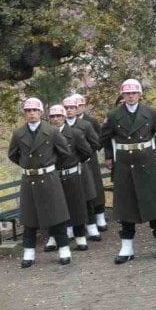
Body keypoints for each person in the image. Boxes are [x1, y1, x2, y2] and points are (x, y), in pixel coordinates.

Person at [100, 78, 156, 263]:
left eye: (134, 93)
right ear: (122, 95)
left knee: (154, 204)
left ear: (140, 94)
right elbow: (105, 137)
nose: (131, 96)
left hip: (146, 163)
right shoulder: (114, 115)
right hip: (124, 164)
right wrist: (109, 155)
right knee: (126, 207)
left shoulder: (150, 113)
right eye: (127, 93)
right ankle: (126, 247)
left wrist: (148, 148)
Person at [7, 98, 73, 267]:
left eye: (34, 111)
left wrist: (49, 165)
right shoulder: (18, 133)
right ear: (25, 113)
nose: (31, 114)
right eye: (28, 111)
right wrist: (28, 166)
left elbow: (64, 152)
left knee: (56, 216)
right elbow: (13, 155)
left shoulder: (51, 131)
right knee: (29, 218)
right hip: (29, 179)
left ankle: (64, 249)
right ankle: (28, 253)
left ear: (41, 113)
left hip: (49, 178)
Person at [48, 104, 93, 252]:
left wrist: (75, 162)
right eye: (53, 116)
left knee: (77, 207)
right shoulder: (45, 135)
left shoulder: (75, 133)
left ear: (64, 117)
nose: (56, 119)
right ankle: (54, 238)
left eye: (59, 116)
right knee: (54, 208)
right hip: (54, 176)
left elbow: (87, 151)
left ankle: (80, 237)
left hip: (72, 174)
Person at [64, 96, 103, 241]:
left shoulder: (85, 125)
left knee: (87, 196)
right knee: (68, 198)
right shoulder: (59, 126)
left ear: (77, 109)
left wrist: (85, 156)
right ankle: (70, 228)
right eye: (66, 108)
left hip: (83, 165)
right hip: (66, 168)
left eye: (72, 108)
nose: (69, 111)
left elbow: (96, 143)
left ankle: (92, 226)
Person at [74, 93, 110, 231]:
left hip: (90, 159)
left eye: (79, 106)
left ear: (83, 106)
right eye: (74, 106)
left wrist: (90, 150)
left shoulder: (91, 121)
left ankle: (100, 215)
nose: (77, 109)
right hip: (74, 161)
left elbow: (101, 138)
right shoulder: (65, 121)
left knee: (95, 186)